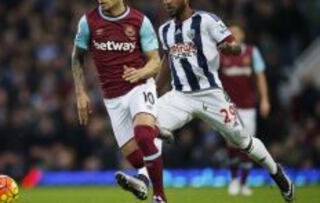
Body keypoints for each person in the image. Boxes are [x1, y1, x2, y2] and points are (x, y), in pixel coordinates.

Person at [116, 0, 294, 202]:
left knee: (242, 141)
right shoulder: (165, 29)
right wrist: (154, 91)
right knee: (146, 127)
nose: (166, 2)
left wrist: (230, 48)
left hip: (211, 94)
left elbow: (234, 44)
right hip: (180, 96)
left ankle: (278, 174)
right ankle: (144, 181)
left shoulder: (207, 20)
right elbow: (167, 61)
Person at [71, 0, 167, 202]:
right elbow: (77, 57)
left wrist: (141, 72)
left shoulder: (140, 21)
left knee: (142, 136)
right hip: (112, 97)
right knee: (135, 159)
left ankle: (159, 197)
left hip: (139, 87)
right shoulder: (88, 22)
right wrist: (80, 93)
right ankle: (154, 136)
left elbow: (155, 61)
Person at [219, 25, 270, 196]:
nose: (233, 35)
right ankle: (234, 180)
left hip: (248, 106)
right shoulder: (221, 54)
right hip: (228, 106)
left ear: (243, 35)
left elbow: (260, 76)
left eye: (236, 33)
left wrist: (264, 100)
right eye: (230, 33)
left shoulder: (252, 53)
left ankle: (244, 183)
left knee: (248, 144)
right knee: (231, 142)